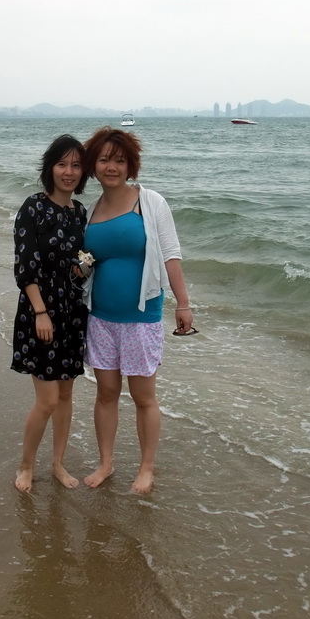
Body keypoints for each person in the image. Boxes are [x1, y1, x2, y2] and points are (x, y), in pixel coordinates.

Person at [80, 127, 194, 495]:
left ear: (131, 164)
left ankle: (146, 468)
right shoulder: (90, 210)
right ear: (92, 164)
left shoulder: (150, 202)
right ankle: (106, 463)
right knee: (106, 393)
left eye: (119, 160)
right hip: (100, 317)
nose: (111, 167)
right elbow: (87, 264)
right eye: (103, 159)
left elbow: (171, 253)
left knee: (144, 396)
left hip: (141, 317)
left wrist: (183, 303)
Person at [10, 135, 90, 493]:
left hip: (72, 311)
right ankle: (26, 465)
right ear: (50, 168)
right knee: (47, 400)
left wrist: (82, 269)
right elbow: (24, 266)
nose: (68, 172)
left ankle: (58, 464)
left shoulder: (80, 212)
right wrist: (40, 311)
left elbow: (77, 264)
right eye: (62, 164)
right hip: (40, 311)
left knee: (67, 396)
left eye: (75, 165)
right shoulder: (34, 207)